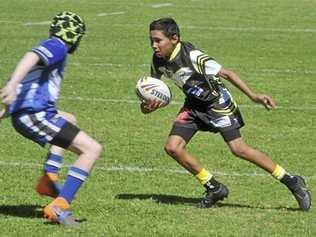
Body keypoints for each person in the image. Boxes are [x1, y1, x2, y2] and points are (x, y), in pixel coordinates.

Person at [140, 17, 311, 211]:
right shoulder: (158, 59)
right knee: (172, 147)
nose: (154, 45)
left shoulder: (193, 56)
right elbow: (154, 88)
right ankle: (214, 187)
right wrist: (147, 106)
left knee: (239, 149)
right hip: (193, 105)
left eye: (158, 40)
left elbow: (228, 73)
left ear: (174, 38)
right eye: (151, 41)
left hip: (217, 103)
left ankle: (292, 181)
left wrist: (253, 96)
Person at [0, 11, 102, 226]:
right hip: (35, 115)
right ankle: (59, 206)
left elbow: (25, 84)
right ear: (74, 36)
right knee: (91, 149)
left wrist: (6, 111)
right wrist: (10, 85)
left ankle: (50, 177)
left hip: (29, 114)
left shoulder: (52, 47)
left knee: (69, 118)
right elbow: (31, 56)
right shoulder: (57, 46)